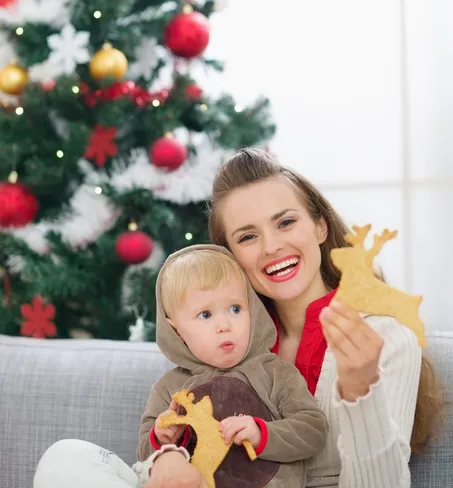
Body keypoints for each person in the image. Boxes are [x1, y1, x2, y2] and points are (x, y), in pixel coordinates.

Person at [33, 147, 444, 488]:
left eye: (286, 222)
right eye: (247, 236)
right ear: (229, 255)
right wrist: (165, 456)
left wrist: (359, 392)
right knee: (65, 459)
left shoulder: (383, 339)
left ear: (319, 227)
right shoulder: (222, 341)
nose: (271, 246)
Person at [136, 243, 328, 487]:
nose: (225, 325)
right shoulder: (169, 388)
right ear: (177, 331)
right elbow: (143, 453)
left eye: (236, 309)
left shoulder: (275, 373)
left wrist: (262, 435)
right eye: (205, 314)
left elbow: (314, 431)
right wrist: (163, 439)